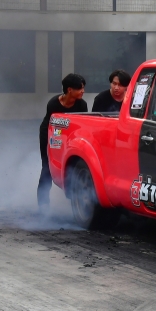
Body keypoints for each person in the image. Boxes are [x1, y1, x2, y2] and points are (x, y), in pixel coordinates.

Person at [38, 74, 88, 213]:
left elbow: (80, 125)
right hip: (50, 134)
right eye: (80, 88)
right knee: (47, 166)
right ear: (70, 89)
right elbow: (52, 128)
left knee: (69, 167)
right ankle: (43, 204)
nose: (83, 91)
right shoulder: (53, 104)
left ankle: (74, 201)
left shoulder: (82, 104)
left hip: (70, 136)